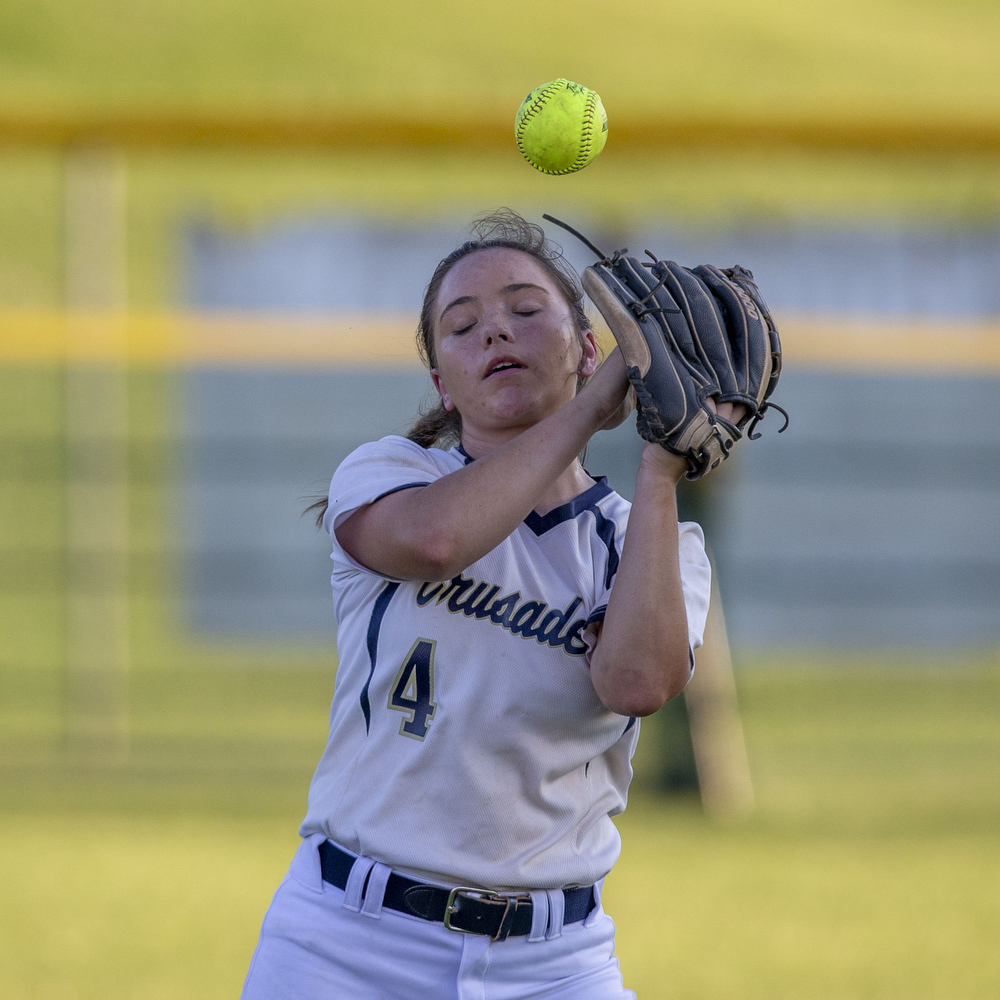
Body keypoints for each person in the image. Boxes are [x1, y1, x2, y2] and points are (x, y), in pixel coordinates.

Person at [241, 210, 726, 999]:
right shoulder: (391, 473)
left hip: (553, 963)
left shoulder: (643, 538)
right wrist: (591, 410)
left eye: (527, 311)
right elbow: (435, 541)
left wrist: (660, 469)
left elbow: (637, 685)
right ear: (442, 382)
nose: (496, 332)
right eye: (462, 328)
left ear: (589, 348)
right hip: (347, 944)